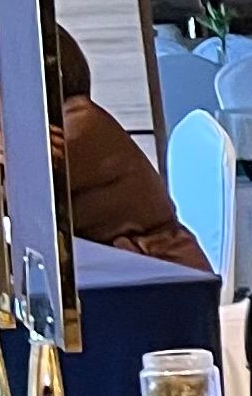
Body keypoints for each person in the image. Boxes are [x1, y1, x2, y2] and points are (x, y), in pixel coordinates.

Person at [54, 30, 211, 273]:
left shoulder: (78, 124)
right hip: (127, 268)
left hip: (164, 273)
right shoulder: (63, 121)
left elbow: (9, 198)